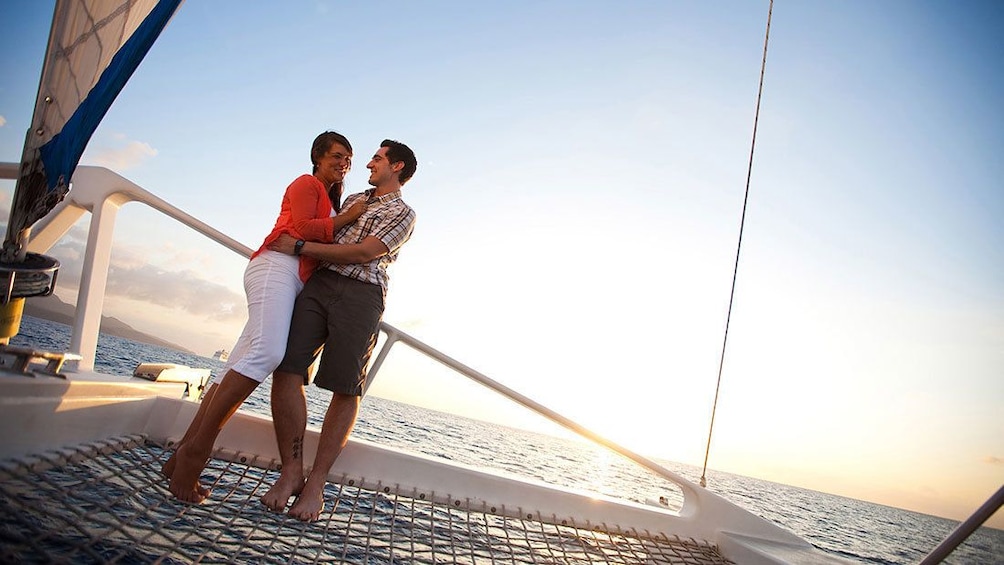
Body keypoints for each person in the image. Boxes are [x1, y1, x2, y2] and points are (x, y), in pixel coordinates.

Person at [164, 131, 366, 503]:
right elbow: (303, 229)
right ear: (318, 157)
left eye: (349, 159)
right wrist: (350, 217)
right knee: (269, 354)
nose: (344, 164)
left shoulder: (331, 197)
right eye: (338, 156)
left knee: (236, 365)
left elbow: (313, 238)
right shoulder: (306, 183)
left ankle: (180, 455)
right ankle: (195, 455)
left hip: (291, 278)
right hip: (277, 268)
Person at [260, 139, 417, 521]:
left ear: (396, 167)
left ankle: (315, 485)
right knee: (287, 367)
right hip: (320, 285)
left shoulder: (404, 213)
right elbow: (323, 230)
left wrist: (299, 247)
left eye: (377, 158)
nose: (368, 163)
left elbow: (365, 252)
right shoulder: (350, 202)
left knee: (346, 387)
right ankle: (291, 472)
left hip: (362, 294)